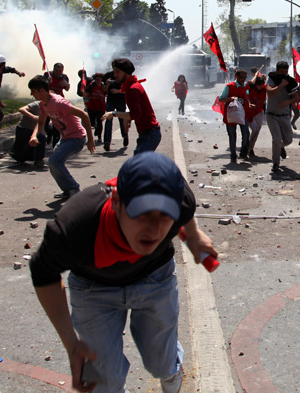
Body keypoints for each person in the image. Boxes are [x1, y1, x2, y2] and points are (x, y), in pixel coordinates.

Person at [30, 152, 217, 393]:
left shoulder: (181, 202)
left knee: (161, 362)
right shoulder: (73, 227)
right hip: (92, 289)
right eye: (141, 212)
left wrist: (193, 234)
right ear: (117, 201)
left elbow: (186, 209)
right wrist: (71, 344)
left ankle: (172, 370)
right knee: (101, 383)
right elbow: (42, 273)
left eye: (164, 215)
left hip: (155, 278)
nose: (153, 229)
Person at [28, 75, 95, 200]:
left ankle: (74, 188)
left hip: (77, 138)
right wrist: (34, 136)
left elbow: (84, 115)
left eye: (33, 92)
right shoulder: (43, 104)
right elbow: (41, 122)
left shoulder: (59, 103)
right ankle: (67, 190)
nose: (32, 95)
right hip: (65, 138)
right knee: (54, 163)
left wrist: (90, 140)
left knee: (54, 161)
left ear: (42, 90)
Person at [104, 58, 161, 154]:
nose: (115, 75)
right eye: (114, 72)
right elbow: (135, 111)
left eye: (117, 72)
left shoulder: (132, 88)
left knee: (138, 166)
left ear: (126, 73)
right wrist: (127, 119)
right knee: (138, 165)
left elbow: (135, 114)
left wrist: (114, 113)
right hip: (147, 134)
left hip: (149, 134)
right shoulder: (132, 86)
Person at [265, 61, 300, 172]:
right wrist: (281, 85)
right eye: (282, 71)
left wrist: (287, 102)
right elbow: (270, 92)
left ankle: (281, 147)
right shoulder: (272, 78)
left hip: (285, 115)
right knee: (276, 139)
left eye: (286, 72)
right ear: (277, 70)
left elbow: (296, 97)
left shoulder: (291, 82)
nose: (284, 74)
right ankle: (276, 163)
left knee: (288, 139)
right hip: (271, 115)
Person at [219, 68, 249, 162]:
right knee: (232, 135)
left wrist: (249, 103)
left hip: (242, 115)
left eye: (245, 77)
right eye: (241, 77)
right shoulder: (229, 86)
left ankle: (243, 152)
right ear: (236, 76)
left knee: (246, 133)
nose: (243, 79)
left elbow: (246, 97)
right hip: (231, 115)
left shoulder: (245, 86)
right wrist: (230, 99)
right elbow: (221, 99)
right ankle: (233, 155)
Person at [10, 100, 47, 168]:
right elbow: (21, 109)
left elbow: (42, 123)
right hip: (24, 128)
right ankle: (19, 157)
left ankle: (39, 160)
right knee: (21, 151)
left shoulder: (47, 108)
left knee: (42, 139)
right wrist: (33, 116)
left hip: (34, 130)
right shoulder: (35, 104)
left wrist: (42, 133)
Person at [103, 60, 130, 152]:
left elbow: (129, 90)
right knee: (108, 120)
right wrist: (107, 84)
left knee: (122, 120)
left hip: (121, 101)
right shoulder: (108, 76)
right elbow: (103, 90)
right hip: (111, 101)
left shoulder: (125, 76)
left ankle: (125, 135)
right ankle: (107, 142)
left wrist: (117, 91)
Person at [245, 75, 267, 158]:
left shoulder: (264, 88)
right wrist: (249, 104)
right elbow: (249, 84)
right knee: (255, 130)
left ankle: (251, 148)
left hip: (258, 111)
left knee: (257, 131)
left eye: (262, 84)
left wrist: (265, 78)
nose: (260, 86)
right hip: (249, 112)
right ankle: (249, 148)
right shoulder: (250, 89)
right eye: (258, 84)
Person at [83, 73, 107, 144]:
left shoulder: (103, 87)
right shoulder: (91, 86)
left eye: (99, 80)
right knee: (91, 122)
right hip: (92, 107)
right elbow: (86, 95)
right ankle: (95, 127)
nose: (98, 81)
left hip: (101, 108)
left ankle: (99, 137)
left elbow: (106, 92)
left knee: (100, 123)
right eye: (96, 80)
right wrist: (87, 103)